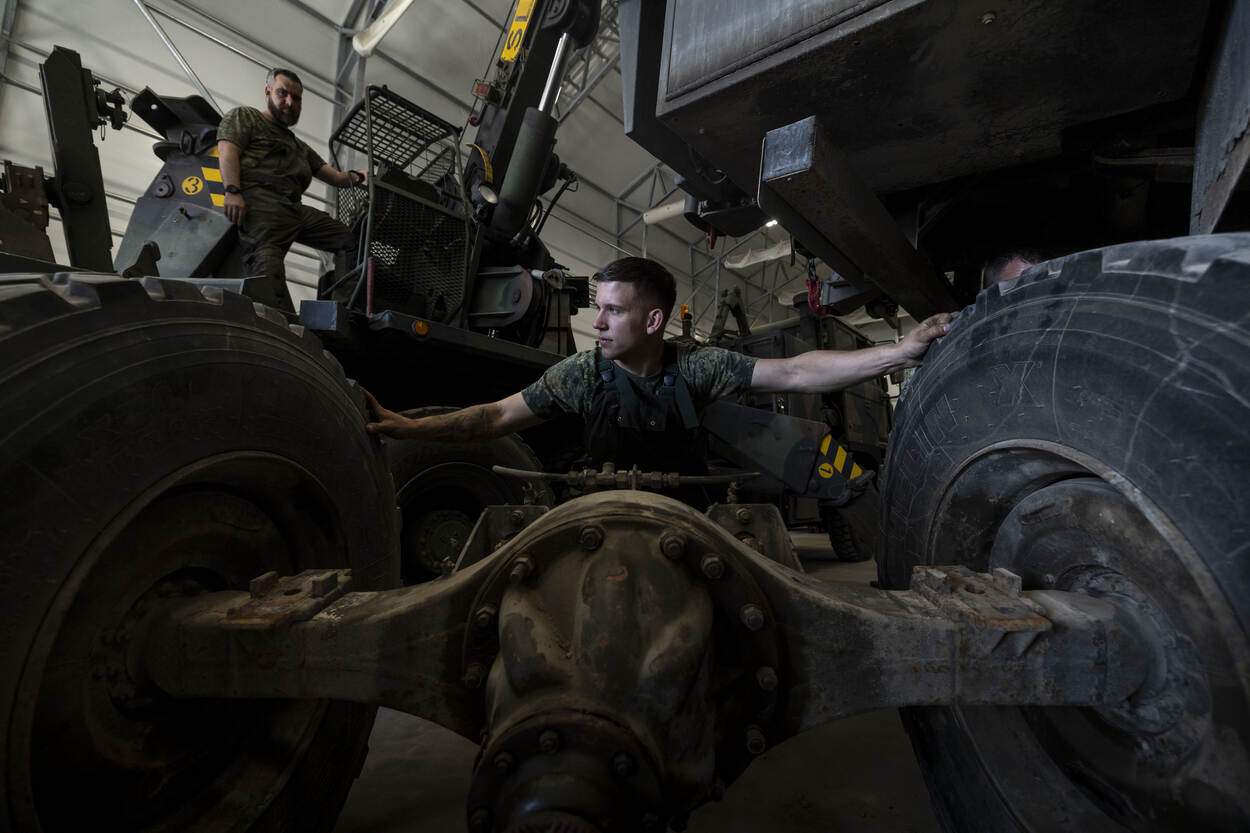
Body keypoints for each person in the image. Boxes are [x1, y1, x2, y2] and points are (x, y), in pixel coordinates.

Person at [365, 257, 954, 484]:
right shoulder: (580, 375)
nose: (597, 323)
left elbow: (797, 373)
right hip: (604, 513)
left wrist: (899, 351)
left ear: (653, 322)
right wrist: (410, 427)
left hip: (686, 522)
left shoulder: (699, 368)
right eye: (599, 308)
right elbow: (496, 417)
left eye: (613, 311)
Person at [217, 68, 367, 311]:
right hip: (262, 208)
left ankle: (341, 310)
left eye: (296, 98)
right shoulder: (246, 117)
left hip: (294, 210)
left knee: (348, 241)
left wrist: (360, 176)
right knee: (269, 279)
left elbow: (337, 178)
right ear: (268, 92)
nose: (289, 102)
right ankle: (286, 327)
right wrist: (232, 190)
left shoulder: (299, 146)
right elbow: (227, 149)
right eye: (282, 93)